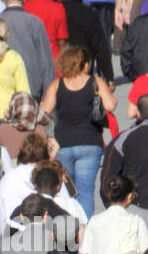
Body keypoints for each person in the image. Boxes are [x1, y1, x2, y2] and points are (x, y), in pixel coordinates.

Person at [40, 45, 114, 217]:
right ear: (85, 65)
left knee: (67, 191)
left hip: (63, 144)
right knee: (86, 191)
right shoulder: (95, 81)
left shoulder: (57, 85)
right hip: (89, 143)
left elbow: (44, 113)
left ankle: (69, 229)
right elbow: (110, 105)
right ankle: (85, 231)